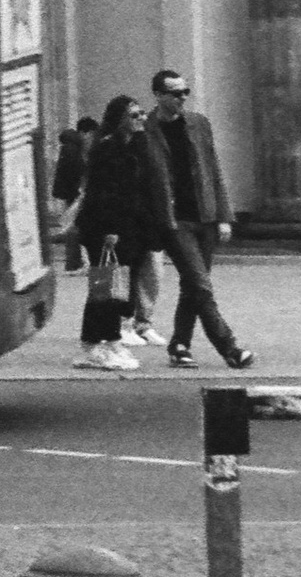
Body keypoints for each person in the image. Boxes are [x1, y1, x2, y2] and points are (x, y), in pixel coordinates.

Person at [146, 66, 251, 370]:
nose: (182, 98)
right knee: (201, 285)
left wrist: (223, 216)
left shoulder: (198, 124)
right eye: (175, 93)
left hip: (204, 216)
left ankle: (179, 346)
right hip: (174, 221)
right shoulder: (147, 130)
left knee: (193, 286)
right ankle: (230, 349)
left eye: (185, 92)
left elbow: (214, 171)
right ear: (158, 95)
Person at [72, 94, 172, 370]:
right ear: (119, 120)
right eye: (134, 115)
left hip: (129, 229)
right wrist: (110, 229)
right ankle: (91, 346)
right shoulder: (108, 149)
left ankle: (112, 341)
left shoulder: (134, 146)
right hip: (106, 231)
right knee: (103, 290)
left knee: (119, 292)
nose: (141, 119)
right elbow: (103, 194)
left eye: (141, 114)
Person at [51, 114, 99, 275]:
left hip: (70, 192)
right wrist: (79, 190)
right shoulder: (73, 148)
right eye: (92, 134)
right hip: (73, 192)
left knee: (73, 227)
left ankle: (74, 263)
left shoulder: (71, 146)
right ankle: (75, 263)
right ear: (86, 132)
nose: (92, 138)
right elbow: (74, 171)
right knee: (74, 228)